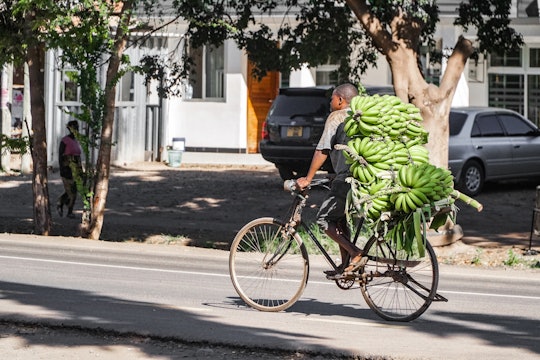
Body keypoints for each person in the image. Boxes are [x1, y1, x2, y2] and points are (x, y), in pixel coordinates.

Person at [296, 83, 365, 279]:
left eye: (332, 98)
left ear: (341, 100)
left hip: (348, 179)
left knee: (324, 219)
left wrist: (308, 178)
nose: (330, 102)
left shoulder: (337, 117)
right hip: (362, 178)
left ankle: (356, 253)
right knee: (340, 220)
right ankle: (345, 265)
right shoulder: (363, 115)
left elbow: (323, 149)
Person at [57, 120, 82, 219]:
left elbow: (78, 158)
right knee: (71, 191)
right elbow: (60, 156)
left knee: (74, 190)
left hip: (76, 169)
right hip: (67, 169)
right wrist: (62, 169)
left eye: (77, 128)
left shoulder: (76, 141)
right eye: (73, 128)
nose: (75, 130)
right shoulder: (65, 141)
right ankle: (68, 210)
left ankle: (62, 203)